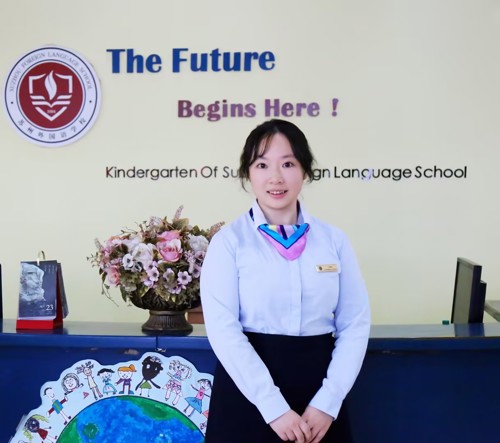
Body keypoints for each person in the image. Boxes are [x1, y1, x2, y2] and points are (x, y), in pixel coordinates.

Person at [200, 119, 370, 443]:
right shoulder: (229, 242)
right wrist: (273, 407)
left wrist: (328, 402)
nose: (276, 177)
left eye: (288, 164)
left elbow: (355, 323)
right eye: (262, 165)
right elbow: (223, 330)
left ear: (305, 170)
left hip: (319, 397)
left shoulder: (333, 240)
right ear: (248, 174)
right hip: (248, 393)